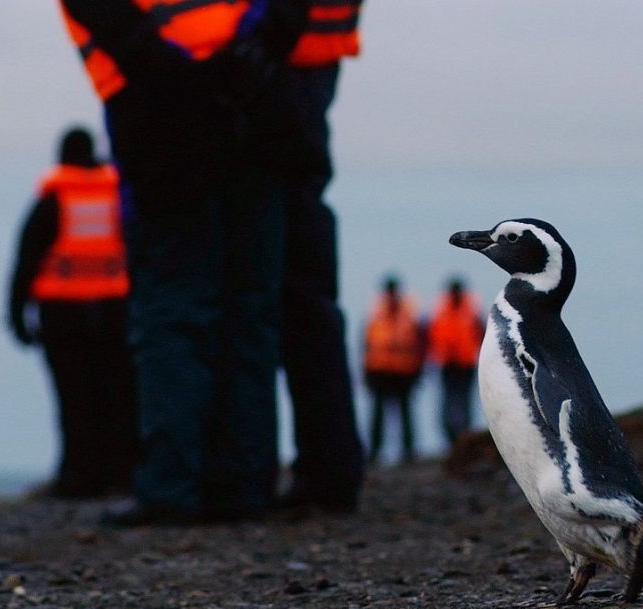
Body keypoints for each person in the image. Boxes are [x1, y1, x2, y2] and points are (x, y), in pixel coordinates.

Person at [57, 0, 312, 524]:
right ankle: (242, 486)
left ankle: (173, 488)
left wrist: (191, 80)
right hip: (255, 109)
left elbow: (117, 28)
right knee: (248, 311)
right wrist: (250, 61)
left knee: (175, 316)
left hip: (161, 123)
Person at [7, 126, 137, 498]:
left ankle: (78, 476)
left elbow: (26, 260)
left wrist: (17, 315)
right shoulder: (118, 196)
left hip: (62, 313)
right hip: (116, 309)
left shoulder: (53, 199)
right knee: (118, 394)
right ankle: (121, 473)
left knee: (73, 398)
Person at [274, 1, 366, 513]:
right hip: (307, 59)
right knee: (305, 288)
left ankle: (323, 470)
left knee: (292, 289)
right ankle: (329, 467)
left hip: (283, 66)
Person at [363, 276, 425, 464]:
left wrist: (417, 371)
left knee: (405, 413)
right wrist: (366, 373)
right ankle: (375, 451)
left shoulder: (409, 315)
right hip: (380, 371)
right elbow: (367, 345)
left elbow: (419, 345)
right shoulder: (376, 314)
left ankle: (408, 451)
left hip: (403, 372)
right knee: (378, 415)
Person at [427, 278, 484, 446]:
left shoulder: (471, 313)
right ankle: (450, 436)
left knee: (464, 402)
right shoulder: (442, 311)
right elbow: (432, 337)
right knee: (448, 402)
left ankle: (464, 436)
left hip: (466, 364)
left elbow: (481, 335)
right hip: (447, 364)